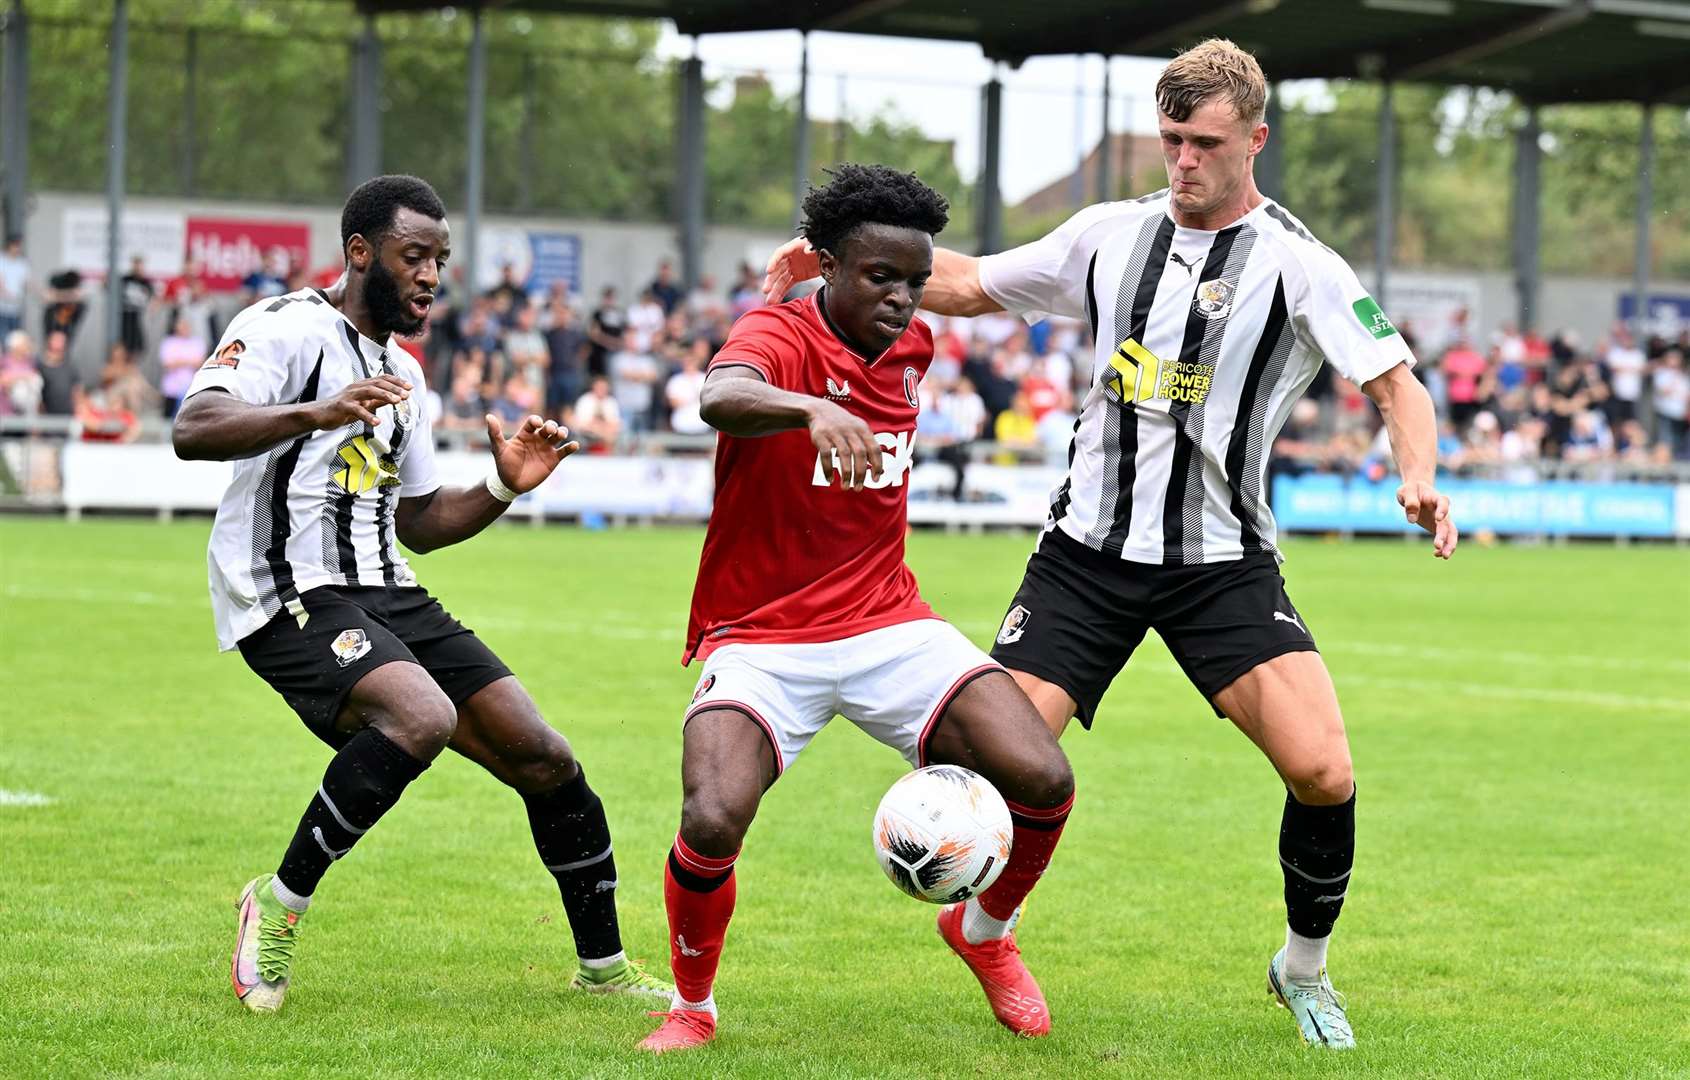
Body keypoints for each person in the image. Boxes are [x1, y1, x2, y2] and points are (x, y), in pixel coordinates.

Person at [765, 40, 1458, 1052]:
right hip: (1084, 558)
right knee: (1000, 765)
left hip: (1220, 566)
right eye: (1171, 139)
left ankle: (1300, 969)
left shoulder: (1299, 266)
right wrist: (829, 263)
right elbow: (965, 284)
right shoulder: (1106, 236)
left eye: (1205, 144)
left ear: (1254, 141)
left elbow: (1397, 383)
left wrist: (1420, 474)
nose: (1183, 161)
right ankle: (986, 927)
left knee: (1322, 772)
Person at [170, 175, 670, 1016]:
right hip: (287, 584)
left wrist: (504, 487)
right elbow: (196, 426)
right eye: (414, 256)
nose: (432, 275)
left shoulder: (404, 372)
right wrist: (315, 412)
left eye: (440, 259)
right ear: (360, 252)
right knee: (422, 717)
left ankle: (604, 968)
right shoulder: (283, 327)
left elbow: (422, 523)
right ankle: (278, 905)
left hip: (386, 589)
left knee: (544, 754)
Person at [639, 164, 1075, 1055]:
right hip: (764, 634)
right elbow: (717, 394)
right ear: (831, 267)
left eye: (914, 283)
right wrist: (804, 409)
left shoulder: (912, 347)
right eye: (880, 277)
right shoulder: (777, 331)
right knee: (713, 815)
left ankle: (984, 934)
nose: (903, 299)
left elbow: (955, 295)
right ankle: (692, 1007)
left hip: (887, 620)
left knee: (1043, 776)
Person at [119, 255, 155, 357]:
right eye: (136, 264)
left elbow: (153, 300)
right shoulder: (124, 280)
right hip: (124, 316)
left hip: (138, 317)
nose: (138, 268)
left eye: (140, 265)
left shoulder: (146, 283)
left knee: (136, 347)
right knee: (121, 345)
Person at [0, 235, 29, 340]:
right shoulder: (1, 260)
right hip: (2, 308)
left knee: (15, 340)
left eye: (19, 245)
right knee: (3, 339)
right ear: (9, 246)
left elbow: (27, 281)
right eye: (15, 245)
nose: (18, 248)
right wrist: (6, 293)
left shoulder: (22, 263)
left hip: (16, 309)